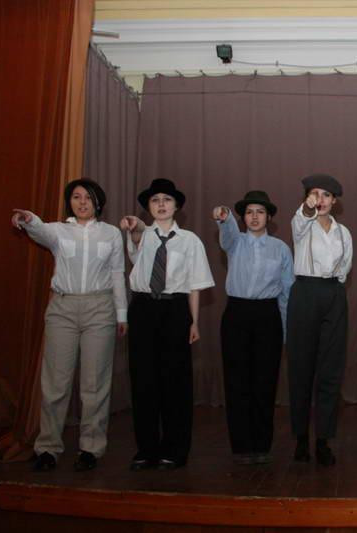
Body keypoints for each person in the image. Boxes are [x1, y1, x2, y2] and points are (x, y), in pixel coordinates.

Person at [12, 179, 127, 472]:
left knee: (95, 384)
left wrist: (121, 314)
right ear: (70, 202)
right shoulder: (58, 231)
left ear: (98, 202)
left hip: (100, 309)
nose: (82, 202)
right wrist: (27, 218)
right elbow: (38, 229)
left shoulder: (111, 233)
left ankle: (91, 449)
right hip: (62, 310)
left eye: (88, 197)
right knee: (56, 383)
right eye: (76, 197)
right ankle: (48, 448)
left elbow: (117, 273)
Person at [120, 178, 214, 471]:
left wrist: (194, 322)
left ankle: (175, 449)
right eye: (155, 200)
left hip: (176, 309)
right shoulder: (142, 235)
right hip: (143, 308)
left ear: (177, 206)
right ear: (148, 207)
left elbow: (195, 285)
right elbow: (136, 238)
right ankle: (146, 449)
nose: (161, 204)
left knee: (176, 381)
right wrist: (135, 227)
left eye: (167, 200)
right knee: (143, 380)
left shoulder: (190, 240)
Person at [212, 191, 294, 465]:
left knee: (265, 381)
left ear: (269, 217)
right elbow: (226, 233)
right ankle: (241, 445)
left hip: (268, 316)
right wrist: (224, 216)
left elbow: (287, 292)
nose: (255, 217)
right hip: (236, 314)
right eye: (249, 212)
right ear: (243, 218)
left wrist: (284, 331)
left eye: (260, 212)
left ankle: (262, 444)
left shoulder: (281, 249)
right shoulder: (235, 242)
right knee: (236, 381)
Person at [287, 174, 352, 466]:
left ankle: (323, 439)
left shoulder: (343, 232)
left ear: (334, 201)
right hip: (305, 293)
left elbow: (345, 268)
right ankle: (301, 438)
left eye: (326, 195)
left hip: (334, 294)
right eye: (315, 194)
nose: (320, 200)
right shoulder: (302, 224)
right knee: (301, 368)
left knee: (330, 369)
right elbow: (300, 219)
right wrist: (307, 208)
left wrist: (333, 293)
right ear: (307, 198)